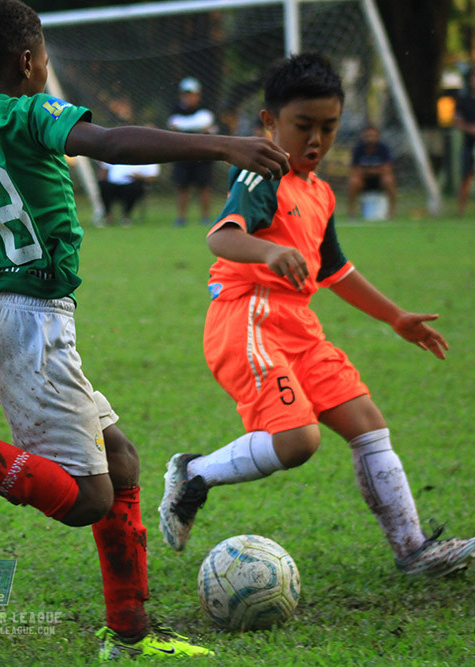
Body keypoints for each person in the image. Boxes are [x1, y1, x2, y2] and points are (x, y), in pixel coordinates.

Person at [0, 0, 289, 659]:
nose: (46, 70)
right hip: (29, 323)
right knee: (86, 498)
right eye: (45, 59)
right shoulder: (28, 113)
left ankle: (130, 634)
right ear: (28, 62)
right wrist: (223, 144)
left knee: (124, 461)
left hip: (10, 319)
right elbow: (107, 144)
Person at [157, 53, 475, 578]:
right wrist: (268, 253)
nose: (316, 141)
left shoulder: (322, 192)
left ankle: (412, 549)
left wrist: (395, 317)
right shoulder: (263, 175)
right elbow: (221, 235)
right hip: (249, 319)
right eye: (303, 126)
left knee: (367, 423)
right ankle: (195, 473)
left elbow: (337, 271)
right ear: (269, 123)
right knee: (298, 441)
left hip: (299, 326)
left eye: (328, 128)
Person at [167, 77, 218, 227]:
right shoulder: (176, 110)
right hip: (182, 155)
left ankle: (205, 217)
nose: (188, 97)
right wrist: (196, 128)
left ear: (198, 95)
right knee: (181, 187)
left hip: (202, 155)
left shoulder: (205, 111)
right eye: (185, 94)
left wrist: (185, 127)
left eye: (191, 94)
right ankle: (181, 218)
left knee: (204, 187)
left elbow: (205, 123)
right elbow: (174, 124)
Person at [346, 124, 397, 218]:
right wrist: (375, 170)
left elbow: (388, 169)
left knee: (389, 180)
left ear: (378, 136)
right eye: (368, 136)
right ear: (363, 136)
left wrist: (367, 170)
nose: (370, 138)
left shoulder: (383, 149)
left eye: (373, 136)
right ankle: (351, 212)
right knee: (353, 181)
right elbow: (355, 170)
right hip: (364, 181)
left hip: (379, 180)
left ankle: (392, 211)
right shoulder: (358, 149)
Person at [96, 161, 160, 227]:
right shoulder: (115, 154)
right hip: (113, 185)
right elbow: (104, 171)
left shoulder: (146, 157)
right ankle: (108, 216)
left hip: (132, 185)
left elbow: (152, 177)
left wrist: (138, 177)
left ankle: (126, 216)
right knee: (103, 185)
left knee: (134, 187)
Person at [456, 69, 475, 215]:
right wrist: (469, 128)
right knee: (466, 177)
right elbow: (457, 121)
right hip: (469, 144)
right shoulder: (463, 101)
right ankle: (461, 210)